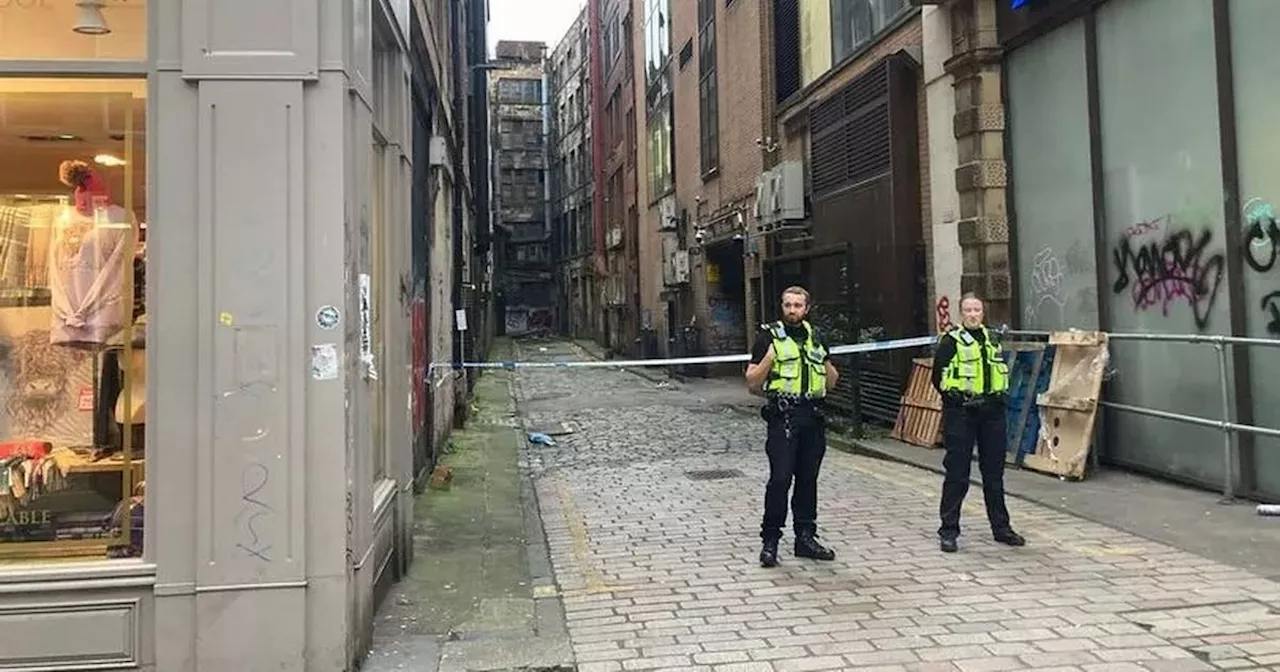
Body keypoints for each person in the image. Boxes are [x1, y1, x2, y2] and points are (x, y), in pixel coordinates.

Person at [745, 286, 839, 567]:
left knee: (808, 480)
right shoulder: (768, 337)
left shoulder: (817, 337)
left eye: (798, 305)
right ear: (782, 307)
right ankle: (770, 541)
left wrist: (825, 363)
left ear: (806, 308)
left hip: (812, 416)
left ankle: (805, 538)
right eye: (788, 305)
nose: (792, 310)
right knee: (780, 479)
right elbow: (752, 381)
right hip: (783, 417)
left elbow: (832, 382)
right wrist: (769, 359)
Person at [931, 293, 1026, 553]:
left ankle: (1001, 528)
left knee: (994, 474)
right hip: (961, 412)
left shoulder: (992, 338)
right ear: (962, 314)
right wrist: (954, 400)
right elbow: (938, 377)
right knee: (957, 473)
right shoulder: (951, 341)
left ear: (983, 313)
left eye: (977, 310)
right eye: (968, 310)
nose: (973, 314)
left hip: (992, 412)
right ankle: (949, 530)